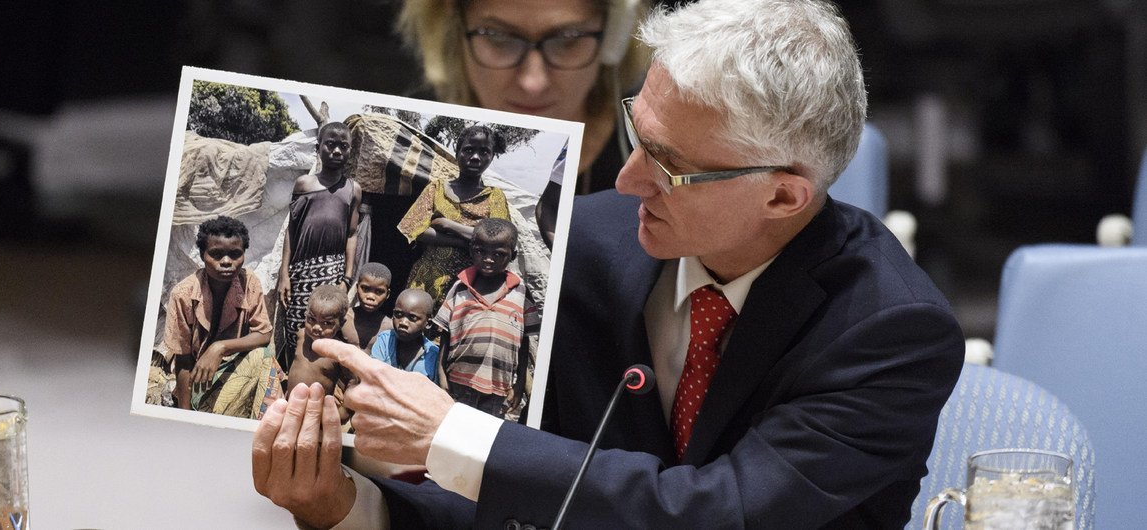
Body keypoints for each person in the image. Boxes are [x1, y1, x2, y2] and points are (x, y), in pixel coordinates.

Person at [252, 1, 965, 528]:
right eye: (636, 132)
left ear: (783, 194)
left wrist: (456, 436)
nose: (624, 180)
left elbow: (719, 513)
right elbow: (533, 502)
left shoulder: (890, 330)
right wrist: (345, 505)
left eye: (670, 166)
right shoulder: (591, 244)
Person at [396, 0, 654, 247]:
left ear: (613, 37)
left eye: (568, 40)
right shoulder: (412, 137)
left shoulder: (659, 153)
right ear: (454, 28)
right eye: (498, 37)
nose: (533, 83)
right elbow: (408, 228)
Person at [161, 216, 279, 418]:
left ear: (243, 255)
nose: (226, 262)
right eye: (216, 254)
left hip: (233, 371)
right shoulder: (183, 294)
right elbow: (183, 361)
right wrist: (184, 417)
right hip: (200, 381)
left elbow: (264, 334)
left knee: (264, 356)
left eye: (235, 254)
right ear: (202, 254)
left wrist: (220, 347)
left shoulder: (249, 282)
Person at [277, 122, 364, 373]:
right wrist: (284, 274)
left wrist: (347, 279)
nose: (337, 151)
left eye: (343, 146)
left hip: (332, 273)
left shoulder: (353, 190)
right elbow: (291, 231)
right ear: (319, 148)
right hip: (301, 272)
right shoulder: (303, 184)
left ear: (350, 151)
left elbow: (351, 233)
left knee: (327, 329)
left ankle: (322, 382)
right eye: (331, 144)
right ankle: (293, 381)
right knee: (298, 328)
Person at [397, 125, 511, 310]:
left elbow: (499, 240)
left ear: (491, 157)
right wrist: (470, 241)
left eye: (484, 152)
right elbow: (414, 229)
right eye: (468, 150)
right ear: (457, 153)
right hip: (427, 278)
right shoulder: (437, 188)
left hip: (471, 285)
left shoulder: (494, 196)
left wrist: (447, 224)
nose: (475, 157)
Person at [435, 218, 537, 418]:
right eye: (481, 252)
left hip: (498, 388)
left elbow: (524, 341)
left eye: (498, 254)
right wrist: (441, 373)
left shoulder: (521, 293)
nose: (488, 259)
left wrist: (517, 386)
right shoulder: (460, 287)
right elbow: (445, 334)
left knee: (484, 441)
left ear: (512, 256)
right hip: (458, 383)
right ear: (472, 250)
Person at [286, 284, 351, 399]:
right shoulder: (301, 335)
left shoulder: (338, 352)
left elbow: (351, 381)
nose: (316, 327)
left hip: (315, 410)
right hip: (289, 402)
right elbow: (294, 361)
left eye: (326, 323)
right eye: (311, 319)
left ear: (341, 324)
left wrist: (344, 410)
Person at [369, 289, 440, 385]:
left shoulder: (433, 357)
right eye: (398, 314)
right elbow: (372, 376)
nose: (403, 323)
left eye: (412, 318)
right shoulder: (385, 340)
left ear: (428, 323)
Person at [341, 262, 394, 351]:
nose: (370, 297)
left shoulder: (389, 327)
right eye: (365, 289)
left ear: (387, 294)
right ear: (357, 288)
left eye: (379, 292)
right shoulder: (343, 318)